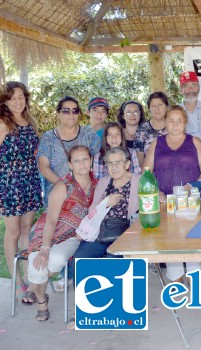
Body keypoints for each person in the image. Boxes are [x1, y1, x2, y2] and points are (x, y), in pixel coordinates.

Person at [24, 145, 97, 321]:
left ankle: (34, 288)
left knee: (55, 261)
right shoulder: (63, 185)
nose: (81, 164)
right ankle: (42, 300)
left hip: (73, 236)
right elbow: (50, 220)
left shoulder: (97, 184)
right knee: (38, 263)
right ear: (70, 165)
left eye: (85, 159)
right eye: (76, 160)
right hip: (47, 231)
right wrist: (45, 248)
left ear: (92, 161)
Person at [144, 105, 201, 282]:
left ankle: (194, 274)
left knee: (192, 239)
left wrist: (197, 184)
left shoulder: (195, 142)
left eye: (179, 121)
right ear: (165, 122)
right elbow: (147, 171)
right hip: (165, 202)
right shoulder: (156, 143)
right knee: (170, 240)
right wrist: (154, 190)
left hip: (190, 202)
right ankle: (175, 277)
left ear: (185, 122)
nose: (175, 125)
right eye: (171, 121)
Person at [0, 81, 42, 300]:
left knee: (27, 230)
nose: (17, 101)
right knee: (13, 232)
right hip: (10, 184)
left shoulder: (30, 122)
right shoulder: (3, 123)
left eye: (21, 97)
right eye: (12, 98)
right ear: (5, 101)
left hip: (31, 181)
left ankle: (29, 277)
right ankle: (17, 283)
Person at [70, 147, 140, 277]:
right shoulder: (103, 182)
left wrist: (161, 195)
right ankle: (86, 296)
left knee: (113, 261)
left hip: (125, 234)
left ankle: (116, 296)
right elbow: (92, 210)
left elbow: (152, 196)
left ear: (127, 164)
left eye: (118, 162)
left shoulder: (139, 180)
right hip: (101, 233)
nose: (114, 167)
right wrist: (105, 203)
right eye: (110, 163)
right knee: (79, 262)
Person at [37, 96, 101, 203]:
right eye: (66, 111)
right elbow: (44, 167)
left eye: (75, 111)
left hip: (86, 195)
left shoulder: (89, 135)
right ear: (58, 113)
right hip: (58, 195)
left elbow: (98, 162)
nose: (71, 114)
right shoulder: (48, 137)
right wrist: (67, 189)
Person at [133, 91, 169, 166]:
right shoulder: (142, 130)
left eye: (160, 105)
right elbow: (140, 161)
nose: (157, 109)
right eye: (153, 106)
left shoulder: (174, 126)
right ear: (149, 109)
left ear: (167, 106)